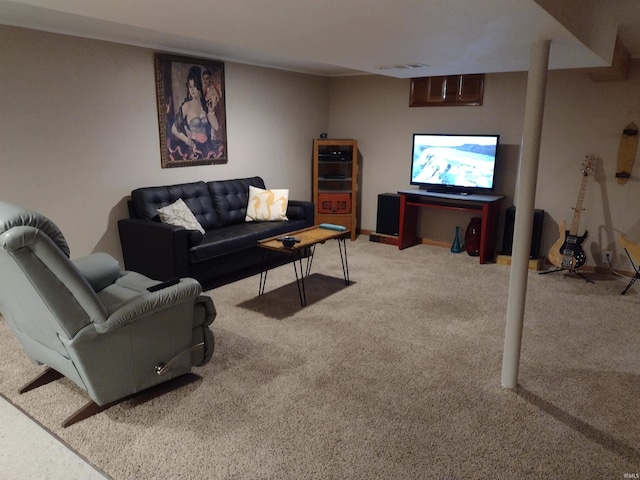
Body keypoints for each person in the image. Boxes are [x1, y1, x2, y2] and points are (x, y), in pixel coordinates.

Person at [170, 65, 224, 160]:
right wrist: (189, 142)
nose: (192, 90)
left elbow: (215, 126)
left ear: (199, 86)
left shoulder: (205, 105)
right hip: (193, 146)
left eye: (195, 86)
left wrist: (211, 111)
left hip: (207, 145)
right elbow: (174, 129)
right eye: (190, 86)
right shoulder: (187, 105)